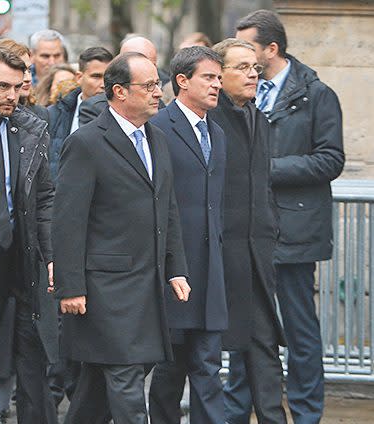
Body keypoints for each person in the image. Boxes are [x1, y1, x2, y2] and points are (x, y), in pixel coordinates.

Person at [53, 51, 191, 424]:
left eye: (156, 85)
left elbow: (168, 209)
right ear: (119, 92)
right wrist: (70, 286)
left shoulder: (157, 139)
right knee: (126, 379)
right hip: (105, 288)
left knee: (102, 385)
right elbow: (68, 220)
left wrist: (176, 268)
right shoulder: (87, 142)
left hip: (146, 285)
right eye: (148, 86)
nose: (158, 93)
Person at [231, 10, 345, 424]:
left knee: (299, 330)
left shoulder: (317, 95)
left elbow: (330, 159)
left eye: (249, 48)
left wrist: (266, 168)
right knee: (245, 328)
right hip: (247, 230)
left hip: (296, 229)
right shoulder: (240, 92)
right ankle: (237, 410)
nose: (242, 56)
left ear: (272, 49)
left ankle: (307, 413)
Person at [0, 48, 57, 424]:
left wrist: (50, 256)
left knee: (32, 355)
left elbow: (45, 195)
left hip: (20, 254)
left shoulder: (29, 126)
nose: (11, 96)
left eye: (18, 87)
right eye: (2, 86)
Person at [210, 37, 289, 424]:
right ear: (217, 75)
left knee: (264, 350)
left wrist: (270, 229)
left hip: (255, 257)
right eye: (241, 67)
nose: (253, 73)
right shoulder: (206, 120)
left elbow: (264, 185)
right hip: (213, 258)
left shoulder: (258, 116)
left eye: (255, 66)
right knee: (194, 357)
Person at [147, 46, 227, 424]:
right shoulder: (157, 128)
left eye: (218, 77)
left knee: (209, 367)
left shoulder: (219, 133)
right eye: (208, 77)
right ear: (182, 81)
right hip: (172, 272)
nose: (217, 85)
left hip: (210, 273)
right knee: (169, 371)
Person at [47, 46, 113, 182]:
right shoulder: (54, 114)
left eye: (107, 78)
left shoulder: (120, 116)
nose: (102, 84)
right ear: (79, 77)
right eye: (96, 76)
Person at [78, 36, 165, 125]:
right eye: (136, 62)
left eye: (151, 64)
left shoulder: (160, 108)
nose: (158, 93)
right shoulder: (94, 109)